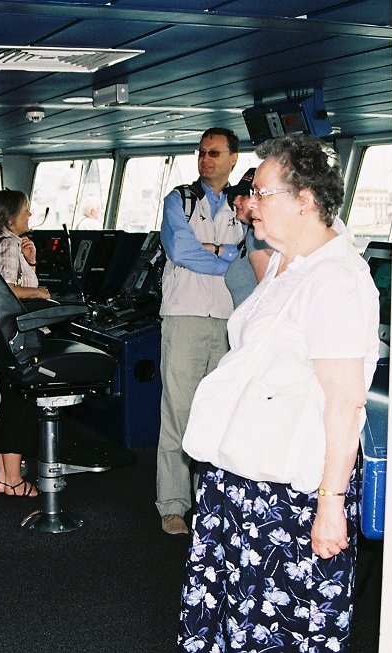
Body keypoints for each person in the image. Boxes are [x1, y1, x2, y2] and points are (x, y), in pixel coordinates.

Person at [177, 134, 380, 651]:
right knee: (228, 617)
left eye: (262, 193)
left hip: (286, 494)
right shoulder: (290, 263)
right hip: (242, 477)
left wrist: (330, 504)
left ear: (306, 200)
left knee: (278, 626)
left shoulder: (336, 280)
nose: (250, 204)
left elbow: (345, 402)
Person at [156, 127, 244, 535]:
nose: (206, 159)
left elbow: (253, 256)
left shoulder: (244, 205)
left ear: (233, 159)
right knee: (178, 412)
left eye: (214, 153)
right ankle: (173, 503)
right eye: (201, 153)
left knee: (222, 415)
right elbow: (181, 251)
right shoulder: (180, 200)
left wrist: (215, 253)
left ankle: (210, 502)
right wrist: (228, 257)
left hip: (230, 321)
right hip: (185, 317)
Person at [0, 189, 50, 496]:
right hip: (19, 336)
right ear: (11, 217)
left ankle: (5, 475)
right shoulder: (8, 244)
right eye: (25, 211)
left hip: (3, 336)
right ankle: (13, 479)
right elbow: (7, 289)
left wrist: (31, 263)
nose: (30, 215)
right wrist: (41, 293)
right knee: (20, 405)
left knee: (10, 400)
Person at [222, 168, 274, 307]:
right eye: (235, 196)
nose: (235, 201)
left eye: (244, 196)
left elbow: (267, 293)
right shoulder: (251, 236)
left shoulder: (257, 237)